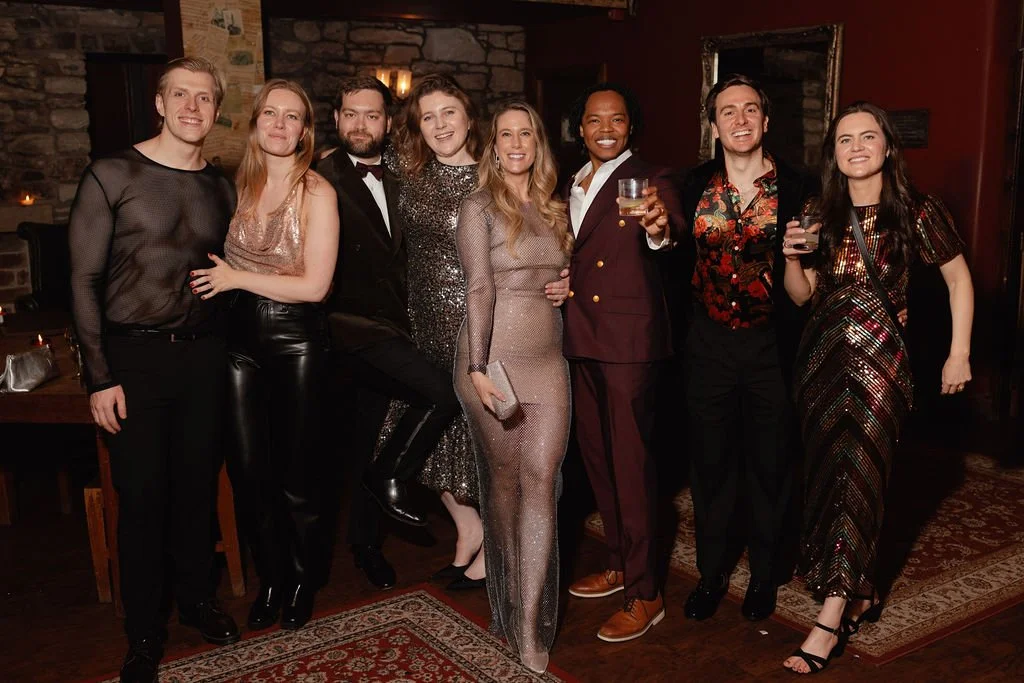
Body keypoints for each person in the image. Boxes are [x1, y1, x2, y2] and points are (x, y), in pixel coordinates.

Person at [780, 101, 974, 674]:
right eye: (845, 139)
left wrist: (958, 353)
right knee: (825, 478)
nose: (857, 147)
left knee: (857, 474)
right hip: (819, 362)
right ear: (833, 154)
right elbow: (800, 295)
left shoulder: (916, 209)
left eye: (868, 137)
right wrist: (791, 259)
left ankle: (828, 621)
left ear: (888, 147)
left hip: (881, 364)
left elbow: (959, 279)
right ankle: (860, 587)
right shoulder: (820, 209)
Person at [68, 56, 240, 683]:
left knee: (197, 490)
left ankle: (197, 601)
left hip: (204, 358)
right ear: (160, 104)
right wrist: (98, 375)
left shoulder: (222, 186)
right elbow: (83, 281)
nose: (193, 108)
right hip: (132, 361)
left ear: (216, 111)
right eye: (181, 96)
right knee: (141, 499)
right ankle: (144, 631)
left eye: (205, 98)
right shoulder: (112, 173)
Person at [380, 74, 571, 591]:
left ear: (471, 120)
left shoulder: (492, 180)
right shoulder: (410, 170)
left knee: (480, 438)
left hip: (482, 324)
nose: (440, 125)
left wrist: (564, 280)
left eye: (450, 113)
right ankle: (467, 530)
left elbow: (538, 243)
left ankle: (492, 544)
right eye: (428, 116)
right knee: (436, 432)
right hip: (423, 318)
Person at [187, 79, 339, 631]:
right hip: (235, 344)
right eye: (269, 114)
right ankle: (272, 576)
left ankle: (302, 579)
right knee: (250, 472)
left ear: (305, 130)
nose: (279, 124)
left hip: (296, 341)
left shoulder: (317, 192)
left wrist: (233, 277)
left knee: (298, 474)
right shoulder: (233, 186)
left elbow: (316, 287)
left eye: (292, 116)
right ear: (254, 125)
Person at [678, 74, 816, 623]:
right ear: (714, 125)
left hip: (771, 346)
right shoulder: (691, 185)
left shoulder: (800, 187)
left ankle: (764, 574)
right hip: (707, 345)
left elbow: (812, 273)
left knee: (771, 464)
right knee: (710, 465)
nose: (740, 120)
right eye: (728, 111)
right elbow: (667, 261)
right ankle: (711, 575)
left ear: (765, 120)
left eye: (750, 109)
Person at [317, 75, 460, 589]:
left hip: (403, 329)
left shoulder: (406, 173)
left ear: (388, 121)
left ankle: (366, 543)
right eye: (350, 113)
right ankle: (390, 480)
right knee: (441, 393)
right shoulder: (318, 176)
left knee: (370, 437)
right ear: (336, 119)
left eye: (371, 115)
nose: (360, 124)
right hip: (347, 332)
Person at [454, 100, 573, 674]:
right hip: (491, 359)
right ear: (493, 144)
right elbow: (479, 289)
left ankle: (528, 625)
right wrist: (477, 367)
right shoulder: (478, 208)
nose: (518, 142)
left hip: (548, 359)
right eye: (507, 134)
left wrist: (569, 284)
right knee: (504, 485)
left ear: (538, 142)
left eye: (528, 132)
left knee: (541, 480)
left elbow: (568, 273)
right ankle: (504, 597)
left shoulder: (555, 206)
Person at [562, 83, 680, 643]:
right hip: (580, 336)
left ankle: (645, 593)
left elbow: (668, 230)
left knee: (631, 467)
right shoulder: (574, 182)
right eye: (593, 121)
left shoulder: (654, 180)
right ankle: (617, 562)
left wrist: (657, 228)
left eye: (616, 120)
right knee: (597, 458)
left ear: (630, 127)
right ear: (580, 128)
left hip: (629, 342)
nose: (605, 129)